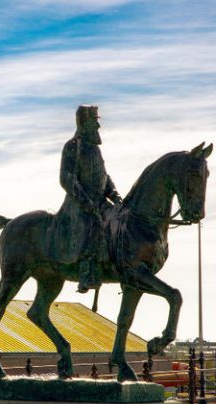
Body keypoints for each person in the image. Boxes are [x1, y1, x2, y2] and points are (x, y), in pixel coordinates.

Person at [51, 105, 122, 292]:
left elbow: (104, 177)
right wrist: (86, 202)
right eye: (94, 122)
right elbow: (66, 178)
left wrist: (115, 196)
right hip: (78, 204)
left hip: (98, 203)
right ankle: (86, 273)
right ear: (83, 123)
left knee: (120, 222)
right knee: (93, 225)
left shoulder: (95, 149)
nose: (98, 127)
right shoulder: (73, 146)